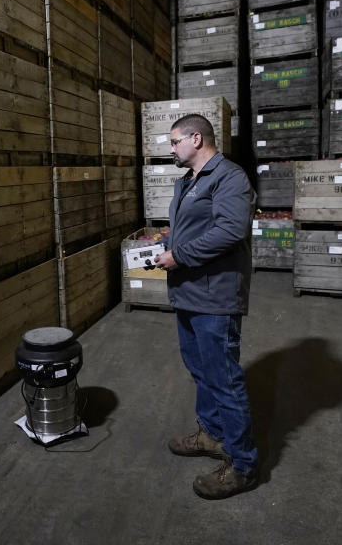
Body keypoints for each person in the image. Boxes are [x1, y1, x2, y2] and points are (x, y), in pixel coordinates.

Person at [153, 113, 258, 500]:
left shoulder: (230, 177)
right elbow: (193, 227)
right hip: (188, 295)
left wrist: (179, 255)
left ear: (197, 139)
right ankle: (212, 434)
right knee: (201, 370)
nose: (171, 148)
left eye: (175, 141)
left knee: (225, 380)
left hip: (215, 297)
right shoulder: (187, 183)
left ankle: (244, 464)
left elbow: (231, 230)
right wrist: (167, 240)